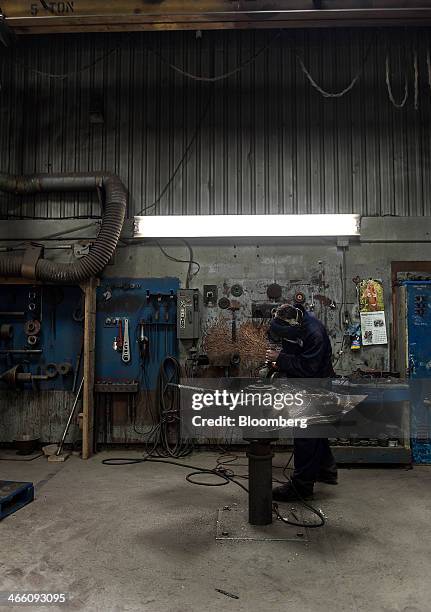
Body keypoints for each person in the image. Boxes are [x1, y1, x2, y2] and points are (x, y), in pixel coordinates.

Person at [265, 302, 338, 501]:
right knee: (317, 432)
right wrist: (277, 362)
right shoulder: (292, 323)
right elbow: (292, 350)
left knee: (306, 436)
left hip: (316, 385)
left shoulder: (314, 333)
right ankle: (326, 470)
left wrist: (280, 358)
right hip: (304, 383)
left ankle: (302, 486)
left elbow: (309, 368)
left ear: (295, 325)